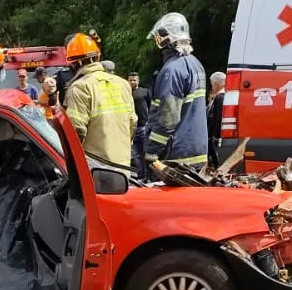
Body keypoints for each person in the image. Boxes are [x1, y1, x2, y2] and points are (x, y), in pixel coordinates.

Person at [144, 12, 210, 173]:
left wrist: (152, 151)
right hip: (197, 152)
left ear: (167, 38)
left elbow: (168, 117)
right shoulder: (196, 64)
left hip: (177, 157)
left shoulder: (172, 70)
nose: (156, 42)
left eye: (158, 38)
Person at [61, 32, 137, 171]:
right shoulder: (123, 84)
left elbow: (76, 132)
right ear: (98, 56)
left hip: (96, 169)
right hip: (123, 165)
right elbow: (132, 121)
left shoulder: (80, 88)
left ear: (74, 63)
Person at [128, 72, 152, 168]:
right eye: (130, 80)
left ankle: (147, 176)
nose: (132, 82)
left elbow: (151, 106)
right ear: (127, 81)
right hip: (129, 128)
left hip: (142, 127)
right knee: (133, 154)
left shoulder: (145, 91)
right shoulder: (125, 92)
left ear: (138, 81)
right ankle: (139, 174)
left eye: (134, 80)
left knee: (144, 153)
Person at [207, 71, 227, 169]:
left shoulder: (220, 98)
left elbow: (218, 119)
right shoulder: (223, 97)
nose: (212, 87)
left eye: (212, 85)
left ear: (216, 84)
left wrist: (214, 136)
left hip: (215, 136)